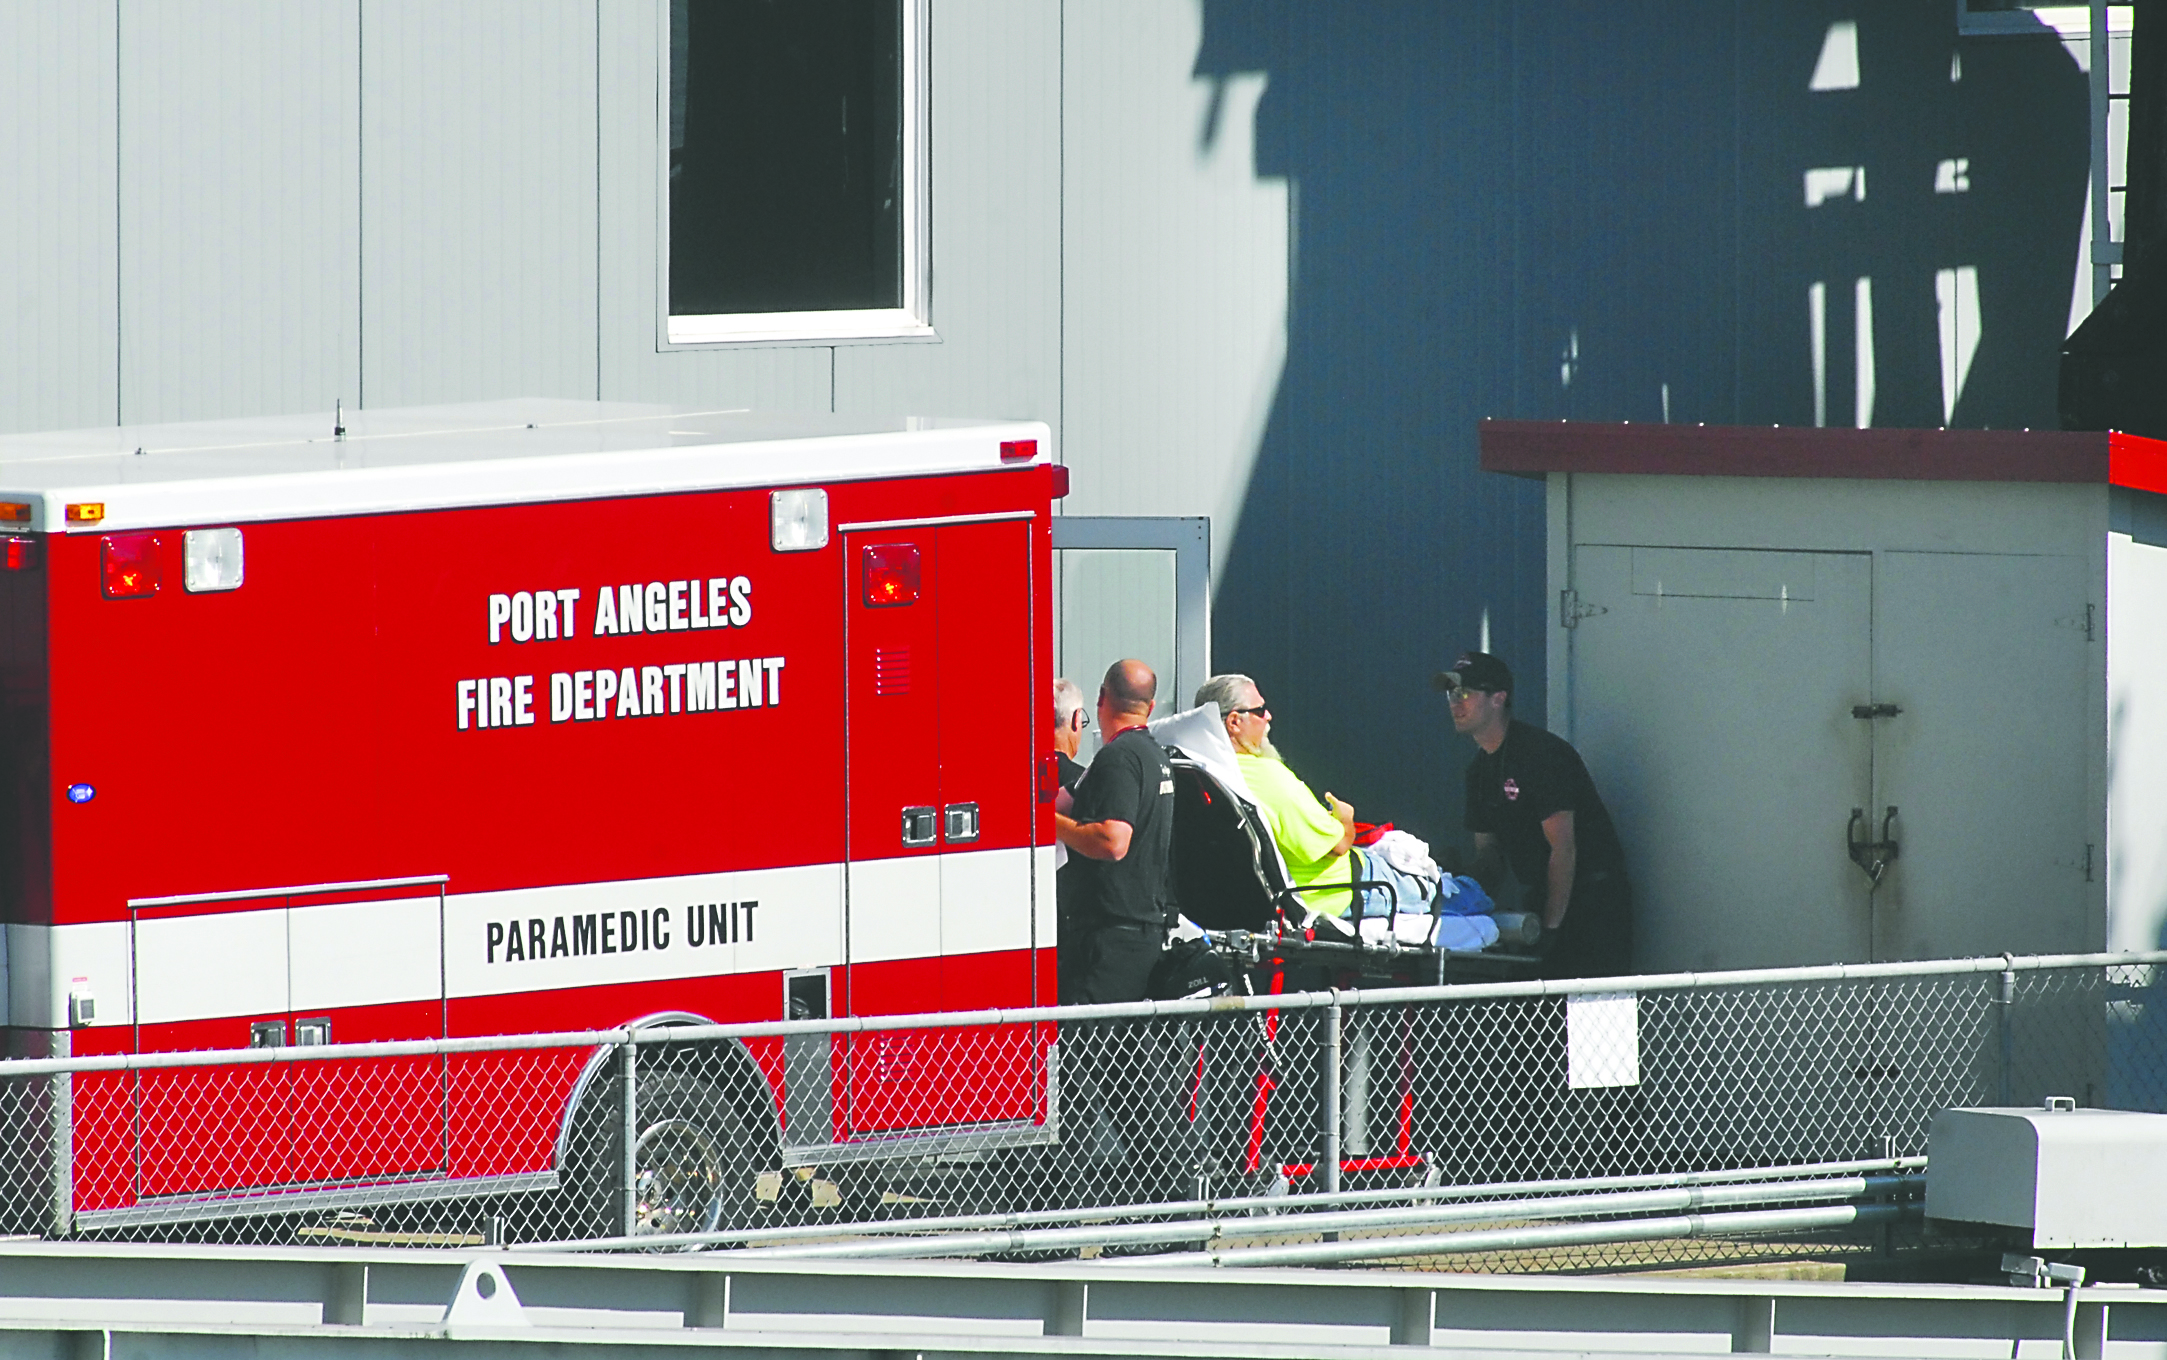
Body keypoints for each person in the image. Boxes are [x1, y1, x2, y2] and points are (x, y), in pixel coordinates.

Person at [1440, 651, 1632, 979]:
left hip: (1593, 905)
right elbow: (1489, 856)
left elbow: (1564, 849)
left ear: (1498, 698)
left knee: (1594, 1020)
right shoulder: (1478, 773)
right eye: (1452, 695)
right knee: (1529, 1023)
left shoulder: (1541, 755)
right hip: (1539, 905)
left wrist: (1552, 928)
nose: (1456, 703)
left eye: (1466, 693)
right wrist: (1454, 891)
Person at [1194, 673, 1439, 922]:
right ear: (1234, 722)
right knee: (1456, 891)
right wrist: (1346, 818)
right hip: (1339, 892)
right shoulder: (1268, 778)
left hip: (1248, 901)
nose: (1269, 717)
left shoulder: (1198, 772)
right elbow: (1338, 845)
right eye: (1260, 710)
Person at [1054, 659, 1176, 1004]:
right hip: (1143, 930)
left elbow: (1113, 841)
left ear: (1101, 698)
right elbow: (1068, 798)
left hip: (1111, 936)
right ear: (1150, 707)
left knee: (1092, 1048)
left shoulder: (1118, 758)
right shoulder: (1156, 756)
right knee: (1121, 1050)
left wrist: (1046, 823)